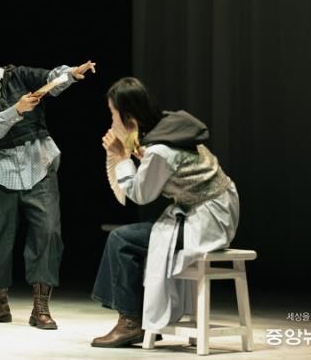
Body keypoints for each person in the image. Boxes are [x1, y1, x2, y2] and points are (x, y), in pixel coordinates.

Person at [0, 32, 95, 330]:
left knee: (48, 232)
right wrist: (16, 110)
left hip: (38, 161)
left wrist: (71, 74)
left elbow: (50, 79)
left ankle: (41, 307)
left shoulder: (18, 75)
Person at [91, 77, 239, 347]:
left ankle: (130, 321)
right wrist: (139, 156)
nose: (112, 120)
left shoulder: (160, 149)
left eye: (113, 113)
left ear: (127, 116)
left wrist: (122, 158)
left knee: (121, 239)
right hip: (217, 211)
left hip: (206, 220)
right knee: (135, 236)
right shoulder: (171, 127)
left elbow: (141, 195)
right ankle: (143, 318)